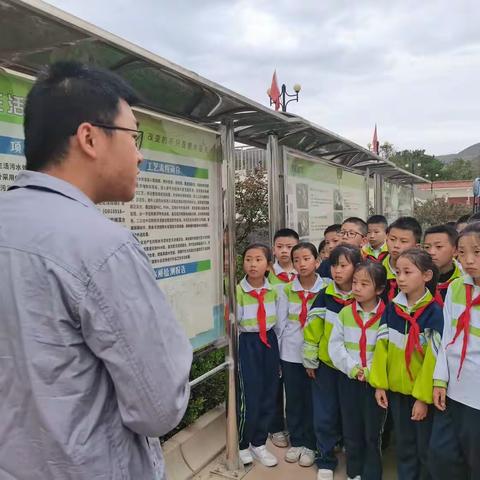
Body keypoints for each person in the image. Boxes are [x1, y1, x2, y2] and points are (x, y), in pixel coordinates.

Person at [0, 61, 193, 480]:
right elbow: (160, 407)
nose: (139, 154)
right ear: (89, 137)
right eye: (133, 135)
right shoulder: (103, 246)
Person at [370, 249, 443, 480]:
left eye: (407, 272)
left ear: (426, 275)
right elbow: (381, 347)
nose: (400, 278)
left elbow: (433, 359)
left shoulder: (435, 313)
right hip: (397, 392)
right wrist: (380, 384)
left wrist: (422, 398)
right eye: (398, 272)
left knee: (425, 448)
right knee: (404, 445)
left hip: (422, 395)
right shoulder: (392, 308)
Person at [304, 245, 361, 480]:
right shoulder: (325, 295)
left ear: (357, 268)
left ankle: (355, 463)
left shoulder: (364, 295)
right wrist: (310, 359)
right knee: (325, 412)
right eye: (335, 265)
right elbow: (312, 329)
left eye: (344, 265)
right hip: (327, 366)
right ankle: (325, 458)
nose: (338, 271)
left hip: (354, 370)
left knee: (352, 416)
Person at [429, 223, 480, 479]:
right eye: (462, 252)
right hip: (454, 391)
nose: (469, 260)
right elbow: (447, 338)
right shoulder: (457, 287)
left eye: (478, 251)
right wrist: (440, 380)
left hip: (477, 396)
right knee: (443, 456)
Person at [329, 261, 387, 480]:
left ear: (380, 289)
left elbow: (387, 350)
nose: (357, 288)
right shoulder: (345, 313)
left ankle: (372, 474)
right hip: (350, 380)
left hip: (375, 383)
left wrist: (371, 372)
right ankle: (354, 472)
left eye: (365, 284)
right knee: (351, 429)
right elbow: (335, 345)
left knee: (373, 433)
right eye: (355, 282)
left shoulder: (388, 314)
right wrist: (353, 368)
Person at [276, 242, 325, 467]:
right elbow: (281, 324)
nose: (301, 263)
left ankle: (312, 444)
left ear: (317, 261)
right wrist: (277, 355)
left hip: (317, 355)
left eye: (306, 258)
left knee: (314, 400)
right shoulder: (286, 289)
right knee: (294, 399)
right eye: (297, 260)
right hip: (291, 352)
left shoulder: (326, 288)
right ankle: (297, 440)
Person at [237, 243, 280, 467]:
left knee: (269, 392)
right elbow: (235, 325)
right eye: (248, 259)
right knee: (249, 394)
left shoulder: (274, 289)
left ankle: (259, 442)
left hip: (270, 341)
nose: (252, 264)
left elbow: (279, 321)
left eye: (258, 259)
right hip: (249, 343)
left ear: (268, 265)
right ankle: (243, 443)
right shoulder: (239, 291)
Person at [267, 227, 300, 447]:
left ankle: (296, 427)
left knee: (295, 386)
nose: (285, 251)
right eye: (280, 247)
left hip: (294, 339)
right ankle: (276, 426)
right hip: (271, 336)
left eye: (290, 247)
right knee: (274, 384)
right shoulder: (266, 274)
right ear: (273, 249)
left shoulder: (304, 274)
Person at [383, 216, 422, 301]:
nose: (396, 245)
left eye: (403, 241)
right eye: (392, 239)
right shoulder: (376, 269)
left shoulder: (422, 275)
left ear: (417, 247)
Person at [423, 224, 461, 307]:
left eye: (439, 246)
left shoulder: (463, 281)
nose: (431, 252)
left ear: (455, 251)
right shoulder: (417, 279)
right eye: (427, 247)